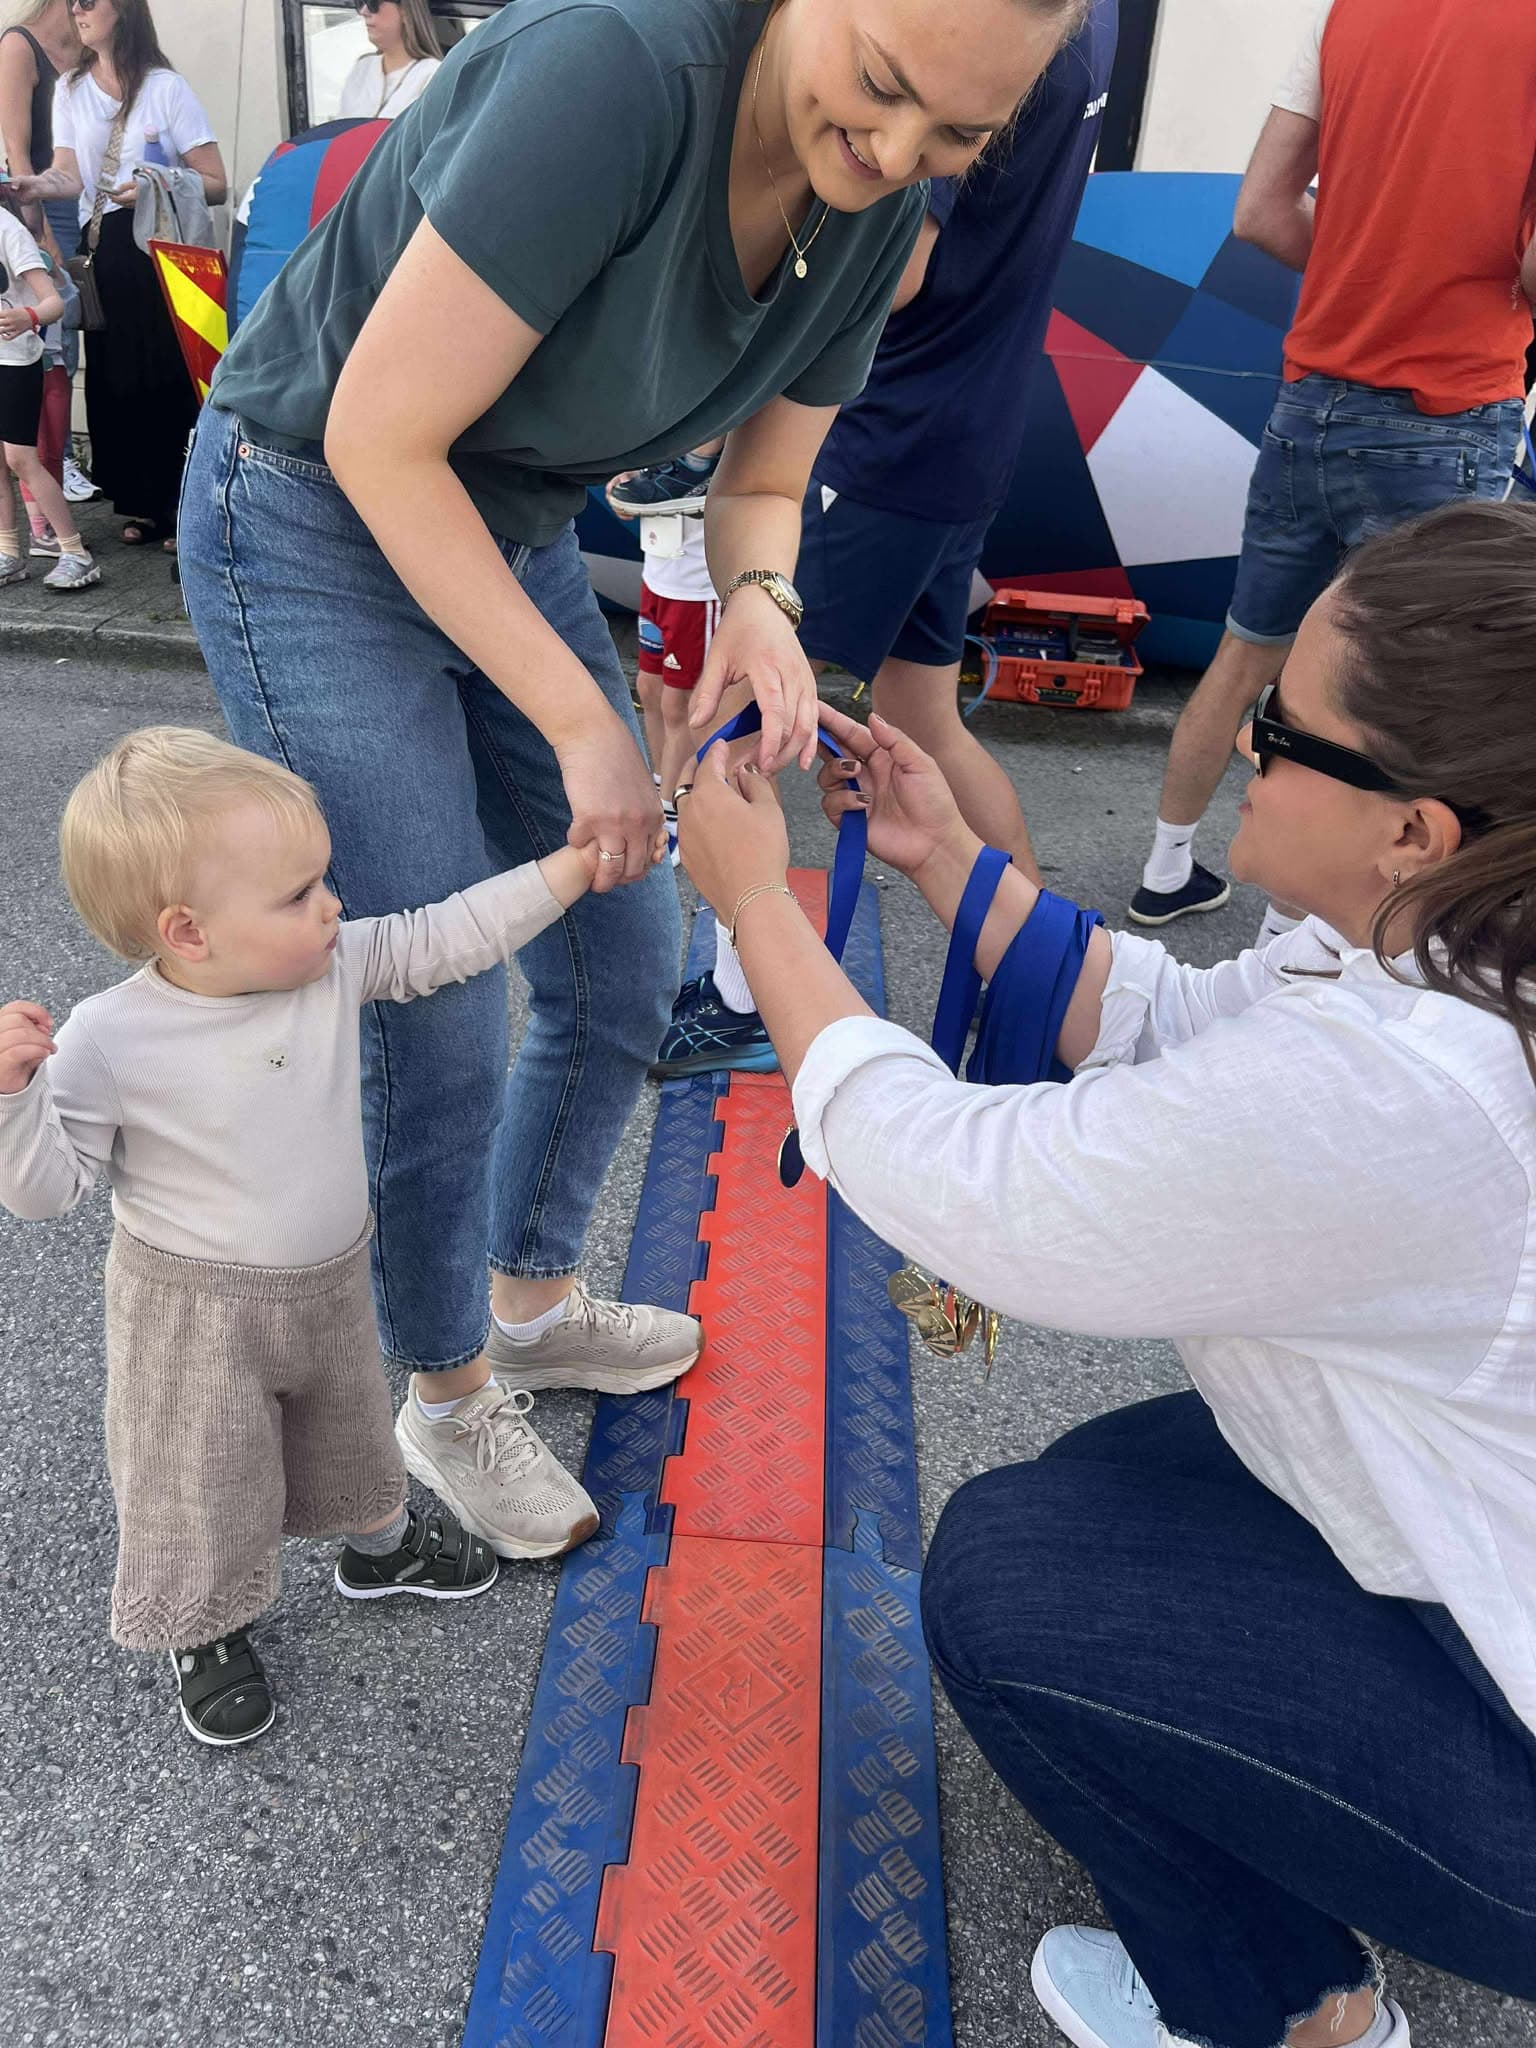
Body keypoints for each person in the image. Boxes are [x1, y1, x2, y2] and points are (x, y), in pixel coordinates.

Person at [178, 0, 1084, 1558]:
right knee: (435, 994)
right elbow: (382, 436)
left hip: (506, 516)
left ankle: (528, 1302)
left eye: (957, 138)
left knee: (626, 950)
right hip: (314, 505)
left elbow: (771, 484)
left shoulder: (873, 212)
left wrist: (765, 609)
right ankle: (445, 1393)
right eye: (878, 91)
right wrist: (587, 726)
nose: (894, 157)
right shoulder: (615, 70)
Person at [674, 494, 1536, 2048]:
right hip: (1472, 1527)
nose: (1245, 734)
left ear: (1417, 827)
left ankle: (1296, 2012)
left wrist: (752, 901)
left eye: (1285, 727)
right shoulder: (1445, 929)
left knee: (1011, 1585)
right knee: (1097, 1498)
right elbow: (1185, 1019)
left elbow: (971, 1186)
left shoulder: (1415, 1090)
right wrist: (948, 861)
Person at [0, 728, 625, 1747]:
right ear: (189, 930)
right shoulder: (110, 1037)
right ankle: (203, 1621)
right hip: (192, 1311)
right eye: (298, 893)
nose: (332, 903)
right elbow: (42, 1191)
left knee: (345, 1426)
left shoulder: (329, 965)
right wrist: (14, 1098)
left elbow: (444, 935)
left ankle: (378, 1544)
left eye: (322, 880)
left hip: (328, 1278)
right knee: (203, 1470)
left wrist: (566, 869)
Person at [653, 0, 1118, 1075]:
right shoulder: (1079, 27)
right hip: (968, 424)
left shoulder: (967, 31)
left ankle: (741, 997)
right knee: (924, 720)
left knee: (742, 715)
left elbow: (897, 259)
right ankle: (1042, 956)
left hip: (884, 433)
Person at [1130, 0, 1535, 936]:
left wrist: (1370, 263)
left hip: (1310, 402)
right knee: (1401, 702)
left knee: (1249, 648)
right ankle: (1302, 937)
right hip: (1449, 412)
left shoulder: (1347, 13)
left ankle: (1166, 865)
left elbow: (1261, 211)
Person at [11, 0, 226, 551]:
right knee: (116, 379)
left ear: (123, 10)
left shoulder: (165, 86)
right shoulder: (70, 89)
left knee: (168, 374)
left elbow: (216, 180)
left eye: (89, 2)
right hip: (105, 247)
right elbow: (71, 174)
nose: (76, 11)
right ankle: (141, 502)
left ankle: (185, 503)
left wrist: (156, 182)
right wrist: (34, 186)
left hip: (159, 251)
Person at [607, 439, 728, 871]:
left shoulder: (729, 419)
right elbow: (638, 483)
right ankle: (662, 787)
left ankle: (671, 816)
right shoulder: (678, 413)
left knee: (681, 705)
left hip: (699, 587)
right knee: (650, 689)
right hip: (659, 572)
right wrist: (626, 485)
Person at [0, 192, 96, 585]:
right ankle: (8, 552)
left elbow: (54, 301)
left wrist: (29, 315)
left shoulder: (9, 230)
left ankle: (75, 551)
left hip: (14, 359)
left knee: (22, 459)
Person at [338, 0, 444, 123]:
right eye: (360, 2)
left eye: (374, 3)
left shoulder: (433, 74)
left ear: (405, 10)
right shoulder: (362, 68)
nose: (364, 11)